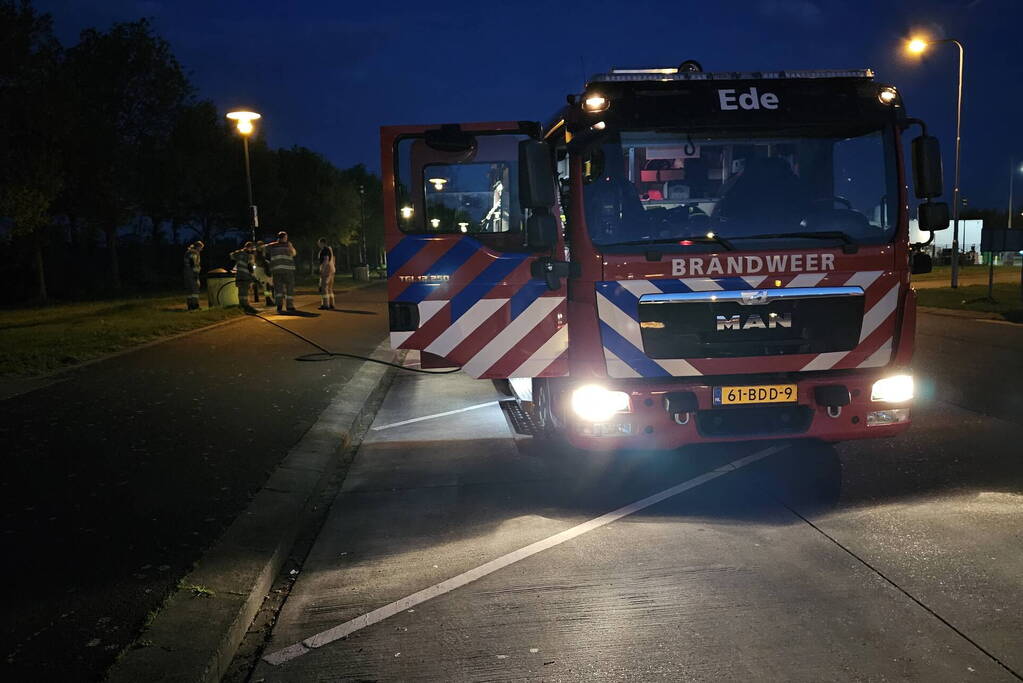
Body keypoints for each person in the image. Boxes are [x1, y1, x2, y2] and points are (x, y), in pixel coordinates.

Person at [266, 231, 297, 314]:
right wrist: (290, 247)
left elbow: (261, 248)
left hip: (276, 271)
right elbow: (294, 253)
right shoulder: (288, 245)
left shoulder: (272, 245)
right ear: (284, 237)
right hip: (288, 270)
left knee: (278, 289)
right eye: (286, 237)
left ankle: (279, 305)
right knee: (289, 288)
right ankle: (289, 306)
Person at [230, 241, 257, 312]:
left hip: (239, 275)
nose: (252, 250)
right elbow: (250, 267)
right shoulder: (249, 256)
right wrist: (252, 276)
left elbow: (231, 255)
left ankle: (241, 305)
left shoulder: (238, 253)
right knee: (245, 291)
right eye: (252, 248)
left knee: (240, 291)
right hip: (245, 276)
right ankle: (246, 306)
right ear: (250, 247)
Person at [183, 241, 204, 310]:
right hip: (192, 273)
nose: (201, 249)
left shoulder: (188, 252)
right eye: (201, 248)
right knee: (195, 289)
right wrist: (195, 273)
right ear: (198, 247)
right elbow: (193, 262)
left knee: (189, 290)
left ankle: (190, 305)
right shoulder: (194, 252)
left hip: (186, 273)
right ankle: (195, 305)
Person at [316, 237, 336, 310]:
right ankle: (331, 304)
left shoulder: (324, 250)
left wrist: (322, 270)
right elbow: (333, 259)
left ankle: (325, 305)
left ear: (322, 243)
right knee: (330, 288)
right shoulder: (330, 249)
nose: (318, 244)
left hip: (326, 270)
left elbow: (326, 260)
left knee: (324, 288)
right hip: (332, 270)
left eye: (319, 243)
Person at [253, 240, 274, 306]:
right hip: (261, 271)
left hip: (263, 271)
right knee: (266, 287)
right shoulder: (258, 254)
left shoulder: (262, 254)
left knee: (267, 286)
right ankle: (268, 300)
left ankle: (269, 299)